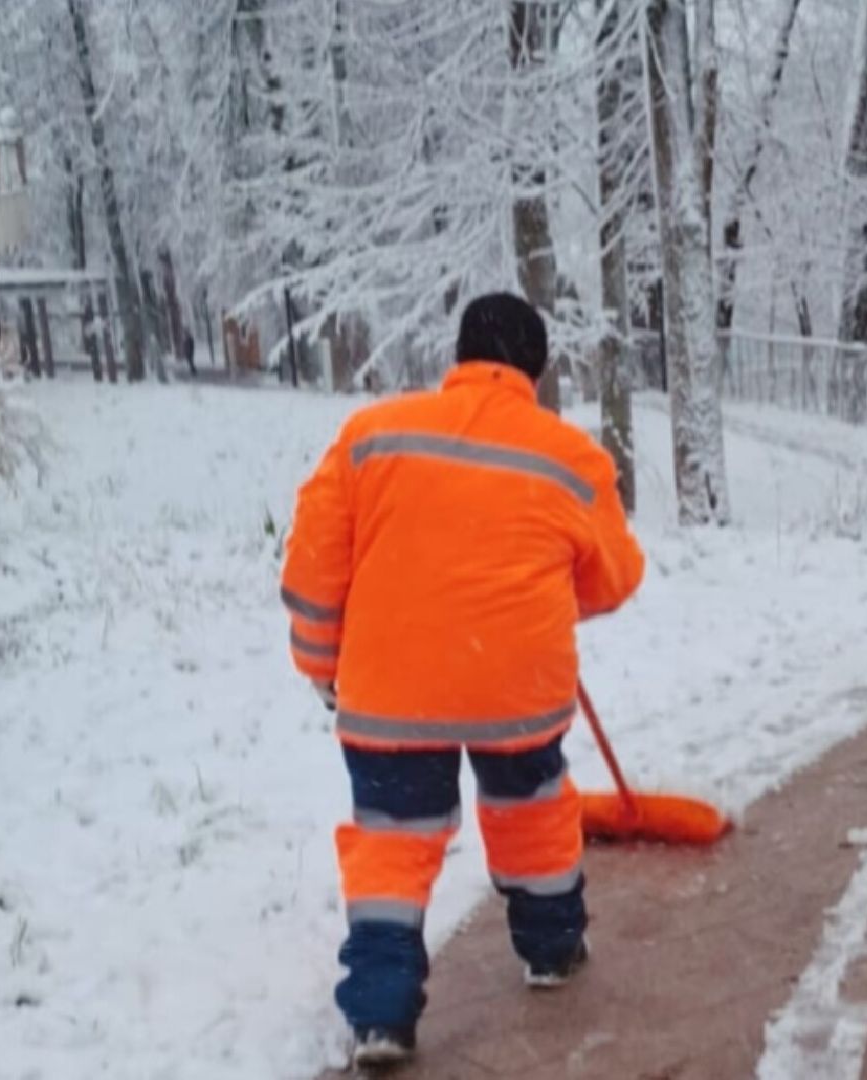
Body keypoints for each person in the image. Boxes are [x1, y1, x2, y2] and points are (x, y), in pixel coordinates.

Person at [279, 293, 645, 1069]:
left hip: (391, 690)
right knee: (532, 811)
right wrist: (543, 595)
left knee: (391, 844)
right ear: (535, 373)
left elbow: (315, 567)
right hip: (516, 685)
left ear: (460, 357)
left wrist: (320, 662)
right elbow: (614, 577)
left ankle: (381, 1015)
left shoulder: (370, 436)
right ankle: (550, 953)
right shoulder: (569, 457)